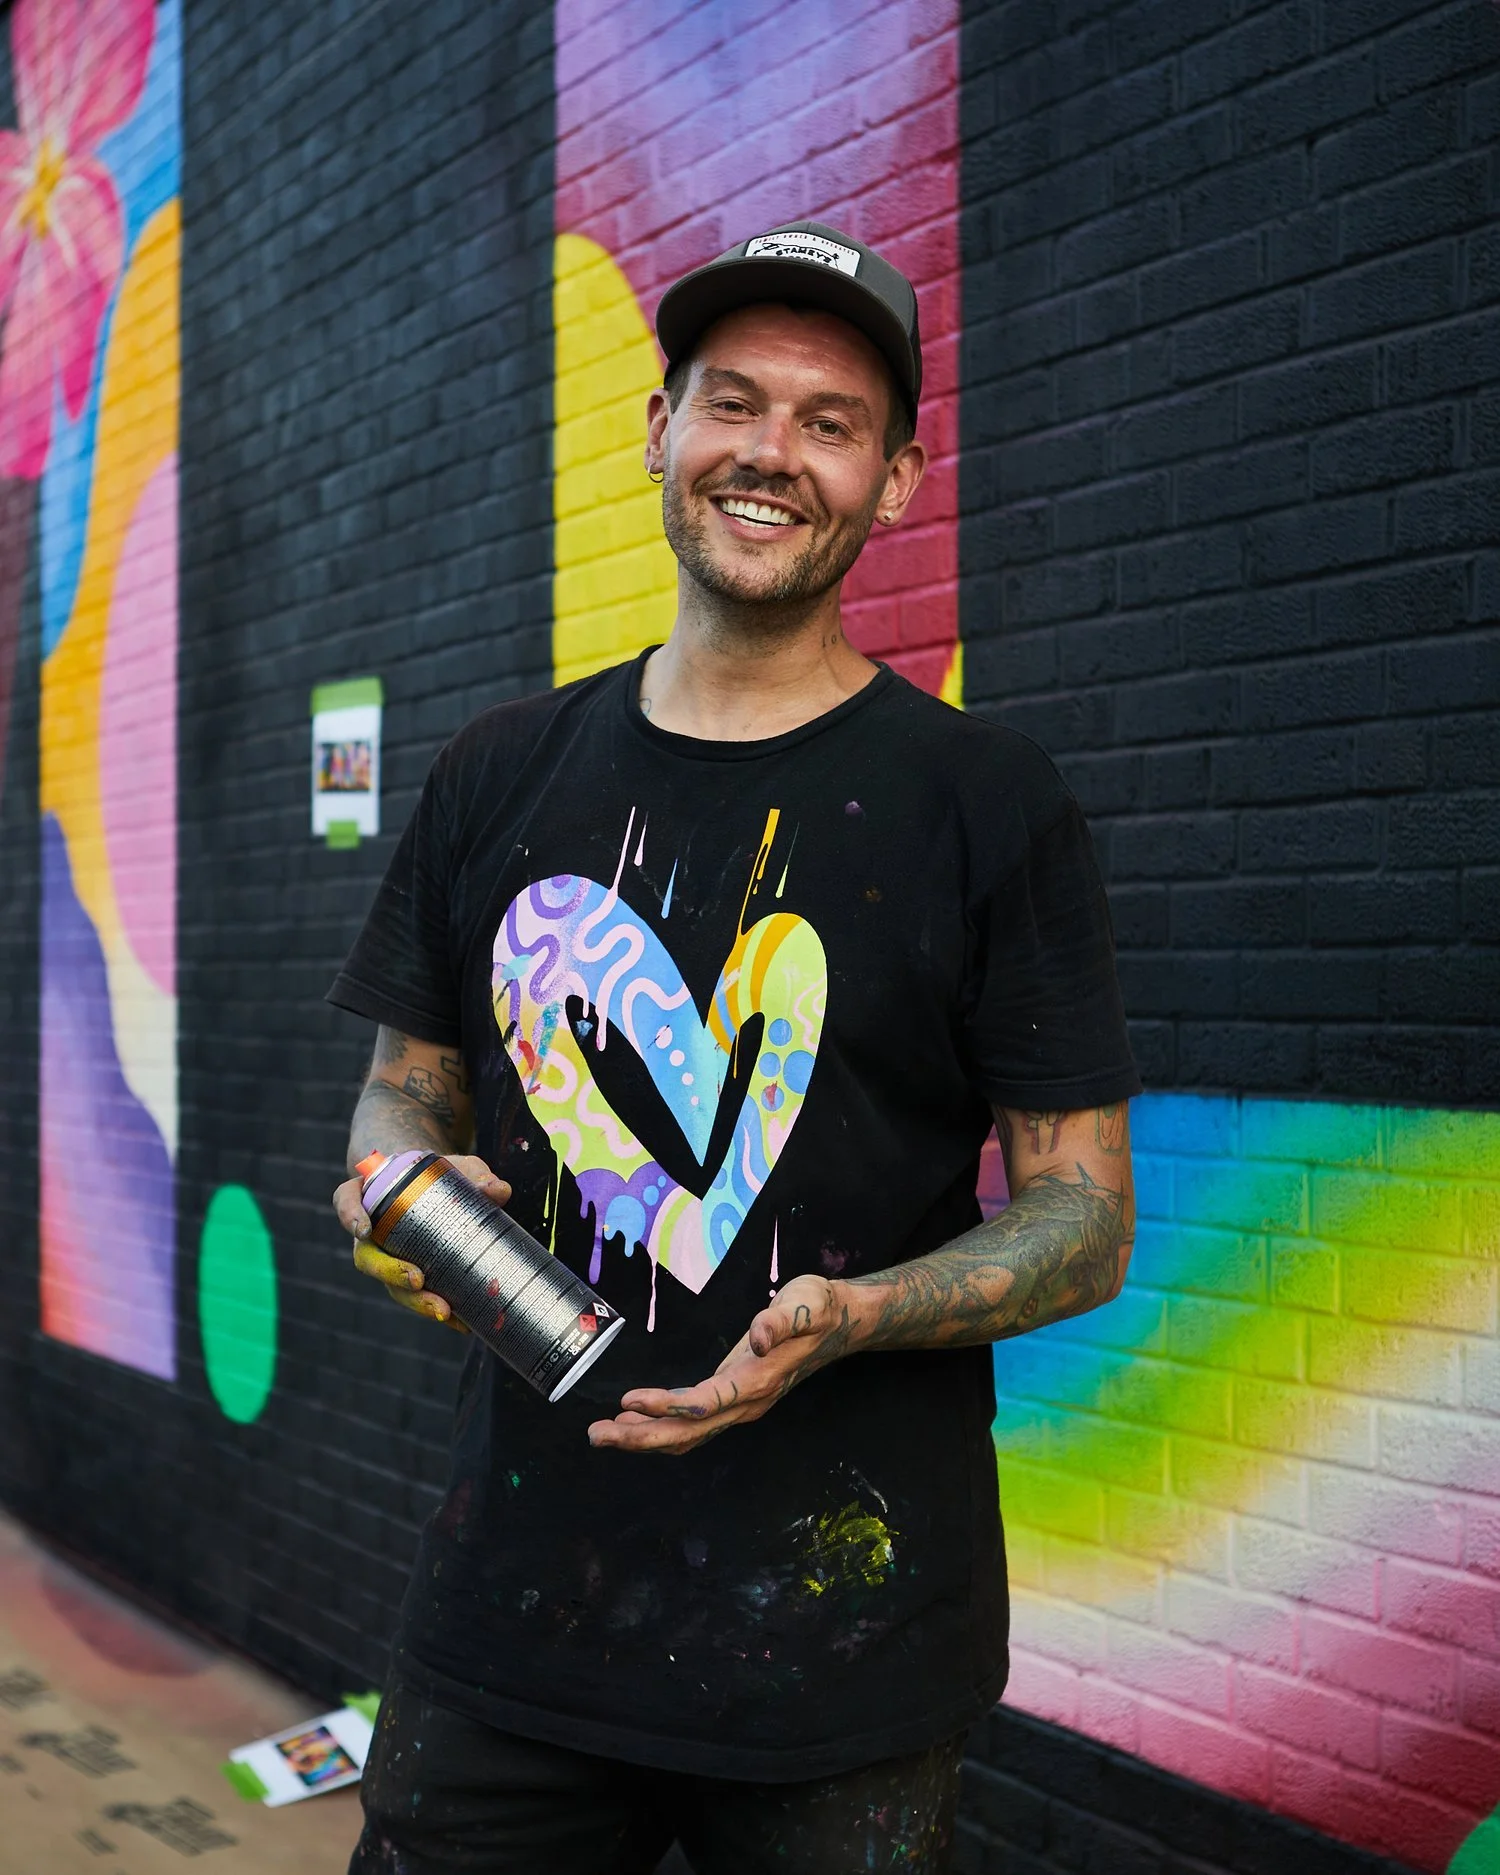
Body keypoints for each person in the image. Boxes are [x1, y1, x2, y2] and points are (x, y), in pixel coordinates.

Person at [329, 220, 1140, 1875]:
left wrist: (854, 1316)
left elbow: (1086, 1215)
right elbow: (405, 1082)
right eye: (734, 402)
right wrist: (396, 1184)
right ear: (659, 432)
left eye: (830, 422)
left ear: (897, 481)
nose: (772, 452)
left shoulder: (992, 805)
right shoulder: (498, 769)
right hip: (510, 1620)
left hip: (845, 1653)